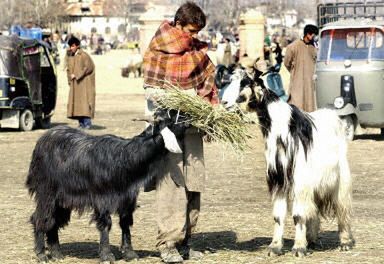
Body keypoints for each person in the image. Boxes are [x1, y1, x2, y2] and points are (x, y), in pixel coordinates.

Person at [142, 2, 218, 263]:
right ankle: (168, 244)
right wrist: (172, 100)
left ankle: (187, 240)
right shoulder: (158, 49)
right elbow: (151, 89)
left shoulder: (198, 52)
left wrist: (209, 110)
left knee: (194, 181)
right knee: (172, 184)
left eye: (198, 32)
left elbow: (209, 83)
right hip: (167, 128)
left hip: (194, 125)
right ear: (178, 25)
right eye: (190, 31)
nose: (194, 37)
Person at [284, 24, 319, 112]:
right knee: (297, 105)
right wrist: (295, 72)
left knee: (310, 105)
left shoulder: (314, 47)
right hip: (297, 81)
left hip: (310, 83)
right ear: (307, 34)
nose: (314, 36)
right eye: (313, 34)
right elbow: (286, 63)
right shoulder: (293, 46)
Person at [65, 36, 96, 129]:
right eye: (70, 46)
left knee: (84, 104)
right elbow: (68, 69)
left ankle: (87, 123)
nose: (71, 48)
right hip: (75, 85)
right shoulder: (71, 56)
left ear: (77, 46)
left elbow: (89, 67)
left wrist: (77, 75)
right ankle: (81, 123)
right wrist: (69, 79)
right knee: (76, 105)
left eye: (73, 46)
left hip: (84, 85)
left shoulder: (84, 55)